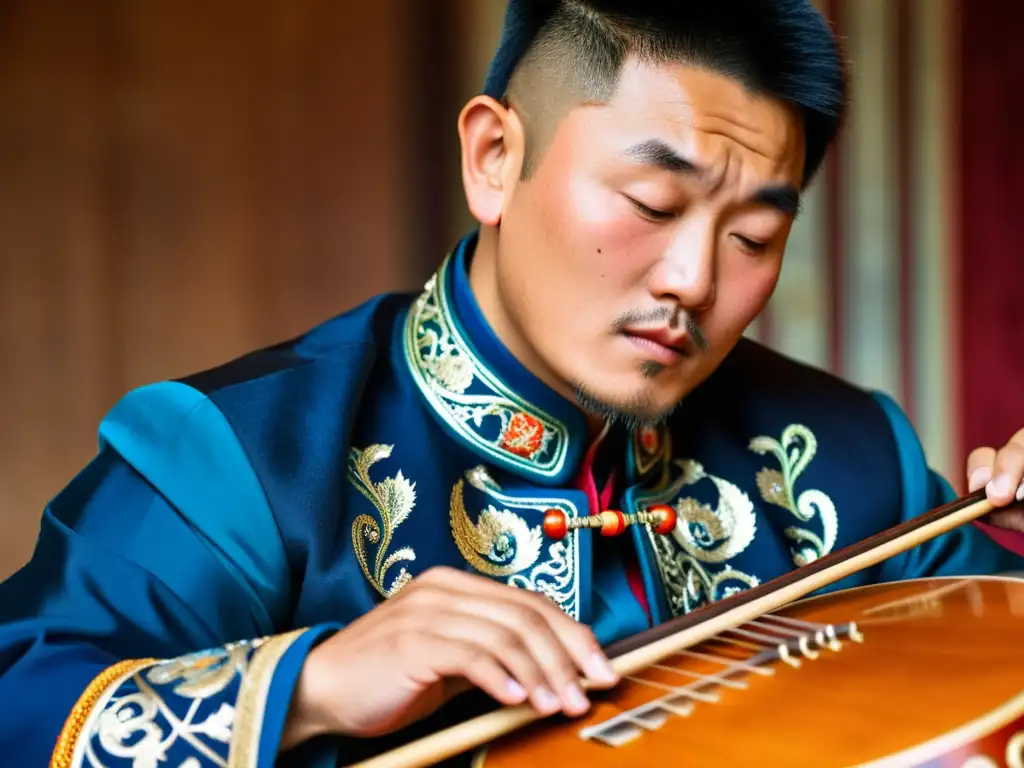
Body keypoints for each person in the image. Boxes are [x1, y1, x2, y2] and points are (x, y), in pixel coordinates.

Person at [3, 1, 1024, 766]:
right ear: (495, 158)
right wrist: (309, 685)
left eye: (753, 236)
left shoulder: (849, 461)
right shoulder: (242, 456)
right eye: (652, 202)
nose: (693, 281)